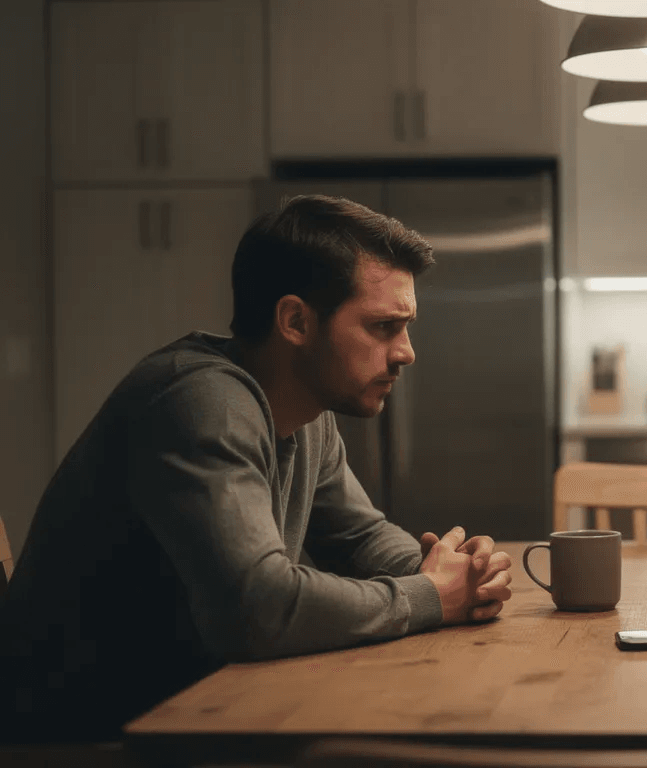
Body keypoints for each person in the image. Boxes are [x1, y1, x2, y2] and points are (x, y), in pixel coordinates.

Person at [0, 195, 514, 744]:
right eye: (383, 326)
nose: (406, 352)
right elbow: (257, 608)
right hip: (82, 739)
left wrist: (451, 569)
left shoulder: (303, 411)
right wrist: (432, 596)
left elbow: (361, 537)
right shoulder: (202, 403)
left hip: (195, 711)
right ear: (295, 321)